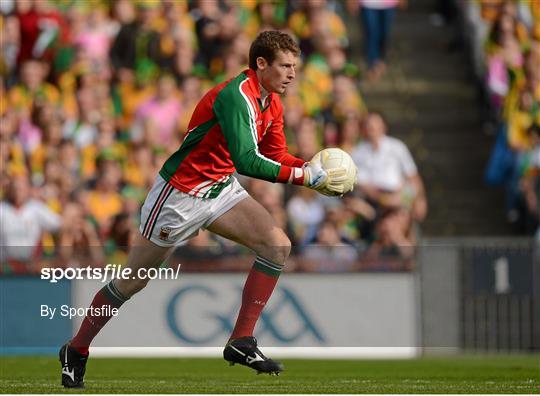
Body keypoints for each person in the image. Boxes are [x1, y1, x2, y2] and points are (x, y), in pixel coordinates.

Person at [59, 30, 348, 387]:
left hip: (219, 188)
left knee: (277, 245)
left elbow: (275, 156)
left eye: (294, 66)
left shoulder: (272, 101)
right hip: (178, 196)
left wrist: (314, 171)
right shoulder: (235, 96)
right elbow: (248, 161)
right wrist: (305, 178)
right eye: (285, 66)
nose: (292, 73)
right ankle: (77, 348)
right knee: (132, 281)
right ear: (260, 64)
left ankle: (240, 341)